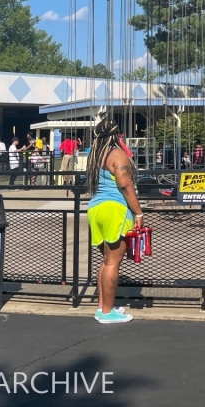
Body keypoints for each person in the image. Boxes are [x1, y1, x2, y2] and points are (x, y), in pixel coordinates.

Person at [86, 115, 144, 324]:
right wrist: (139, 212)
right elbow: (126, 186)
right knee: (113, 263)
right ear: (117, 134)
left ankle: (103, 308)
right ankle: (107, 313)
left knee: (106, 261)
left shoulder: (95, 154)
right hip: (115, 209)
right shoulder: (117, 154)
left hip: (95, 209)